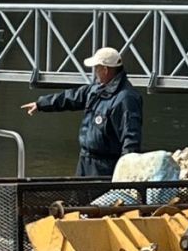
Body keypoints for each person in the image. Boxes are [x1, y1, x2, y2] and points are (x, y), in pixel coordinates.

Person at [21, 46, 143, 177]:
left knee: (99, 198)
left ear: (105, 69)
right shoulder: (96, 89)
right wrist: (41, 104)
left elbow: (131, 138)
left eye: (97, 68)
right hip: (85, 160)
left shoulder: (126, 98)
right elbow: (71, 97)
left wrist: (126, 174)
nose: (95, 72)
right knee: (79, 196)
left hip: (105, 167)